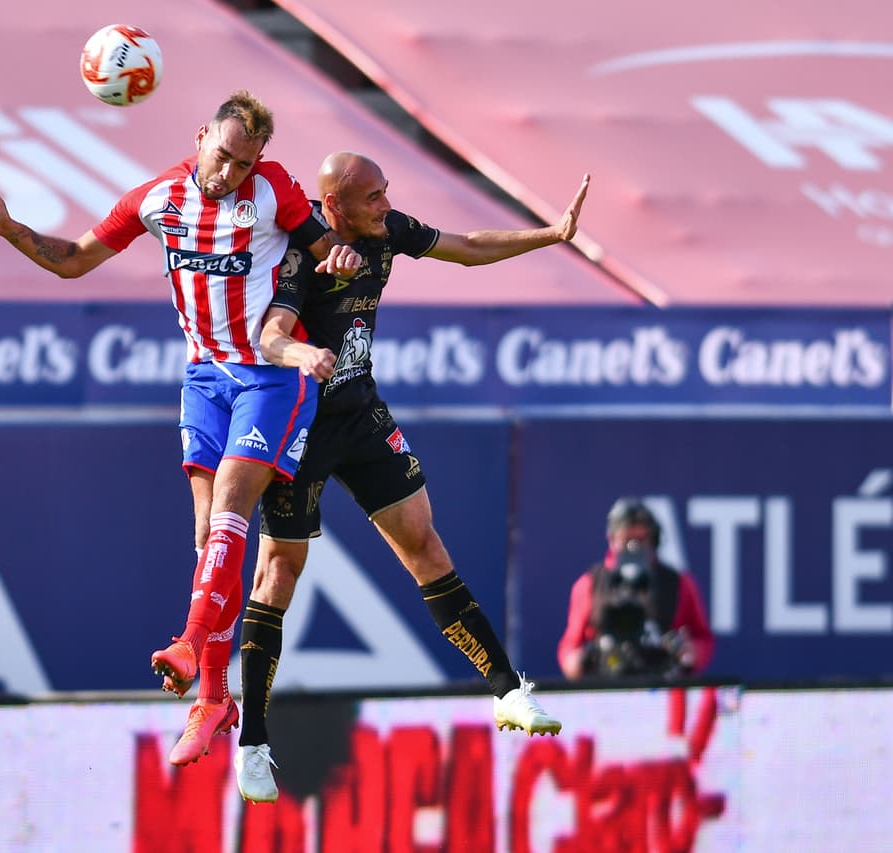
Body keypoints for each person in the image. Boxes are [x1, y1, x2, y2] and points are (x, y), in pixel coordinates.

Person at [0, 91, 359, 767]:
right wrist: (10, 228)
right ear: (202, 136)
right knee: (209, 537)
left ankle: (189, 643)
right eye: (223, 155)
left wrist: (339, 256)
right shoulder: (156, 199)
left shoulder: (274, 189)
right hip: (204, 377)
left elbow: (323, 247)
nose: (230, 172)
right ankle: (213, 697)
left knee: (232, 503)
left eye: (244, 162)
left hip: (270, 375)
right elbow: (74, 258)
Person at [223, 151, 590, 803]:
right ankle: (252, 742)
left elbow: (469, 247)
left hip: (359, 411)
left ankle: (508, 691)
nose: (386, 205)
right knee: (278, 573)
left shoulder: (387, 231)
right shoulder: (303, 249)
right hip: (298, 417)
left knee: (425, 544)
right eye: (373, 198)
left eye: (387, 194)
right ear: (332, 206)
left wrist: (552, 234)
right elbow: (271, 332)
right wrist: (305, 352)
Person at [557, 497, 715, 680]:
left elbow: (702, 640)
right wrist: (580, 659)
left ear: (654, 540)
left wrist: (688, 651)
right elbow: (570, 648)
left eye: (641, 539)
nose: (634, 547)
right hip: (603, 685)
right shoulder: (589, 584)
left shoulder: (679, 583)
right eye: (626, 540)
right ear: (612, 540)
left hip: (661, 682)